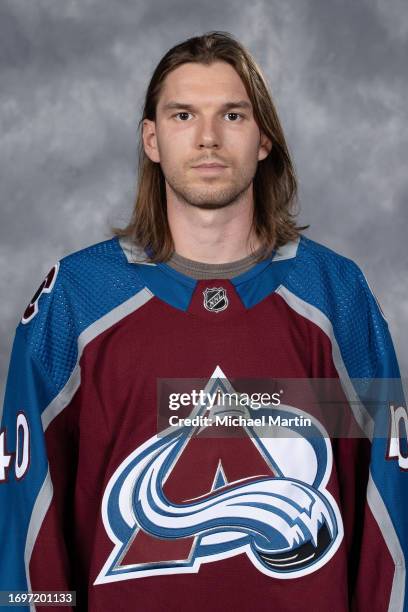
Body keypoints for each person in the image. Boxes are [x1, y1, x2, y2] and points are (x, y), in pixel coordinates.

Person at [0, 30, 406, 612]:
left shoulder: (337, 295)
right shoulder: (77, 300)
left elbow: (390, 514)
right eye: (184, 114)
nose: (209, 138)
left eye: (233, 115)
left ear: (264, 139)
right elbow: (24, 522)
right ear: (152, 138)